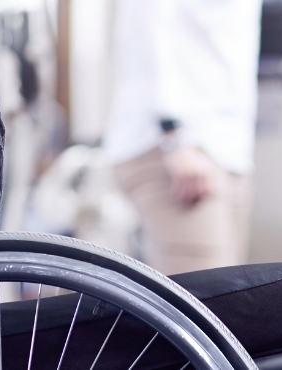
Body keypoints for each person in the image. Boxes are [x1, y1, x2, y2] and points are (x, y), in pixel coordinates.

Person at [103, 0, 261, 275]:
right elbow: (145, 26)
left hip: (227, 148)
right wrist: (173, 133)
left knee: (228, 301)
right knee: (204, 306)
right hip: (176, 145)